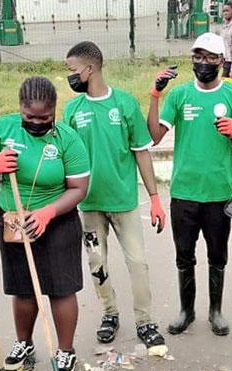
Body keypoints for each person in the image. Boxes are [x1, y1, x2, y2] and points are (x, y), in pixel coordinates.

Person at [0, 76, 90, 371]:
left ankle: (65, 349)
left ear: (54, 110)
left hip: (58, 219)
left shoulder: (67, 138)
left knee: (61, 288)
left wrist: (47, 213)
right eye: (29, 117)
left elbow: (79, 188)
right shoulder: (4, 128)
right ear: (20, 108)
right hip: (15, 218)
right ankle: (24, 344)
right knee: (23, 287)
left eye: (44, 117)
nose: (37, 122)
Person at [147, 32, 232, 336]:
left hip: (219, 193)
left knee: (217, 255)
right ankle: (187, 311)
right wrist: (155, 95)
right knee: (184, 256)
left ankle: (215, 311)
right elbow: (154, 137)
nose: (203, 63)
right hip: (184, 193)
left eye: (209, 57)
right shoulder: (179, 95)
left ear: (221, 60)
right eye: (198, 57)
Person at [63, 41, 166, 348]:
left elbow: (142, 152)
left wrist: (156, 198)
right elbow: (65, 160)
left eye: (72, 70)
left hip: (124, 202)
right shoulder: (72, 110)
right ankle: (109, 314)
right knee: (97, 263)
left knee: (138, 263)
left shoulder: (124, 104)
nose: (69, 76)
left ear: (89, 68)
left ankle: (145, 321)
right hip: (89, 205)